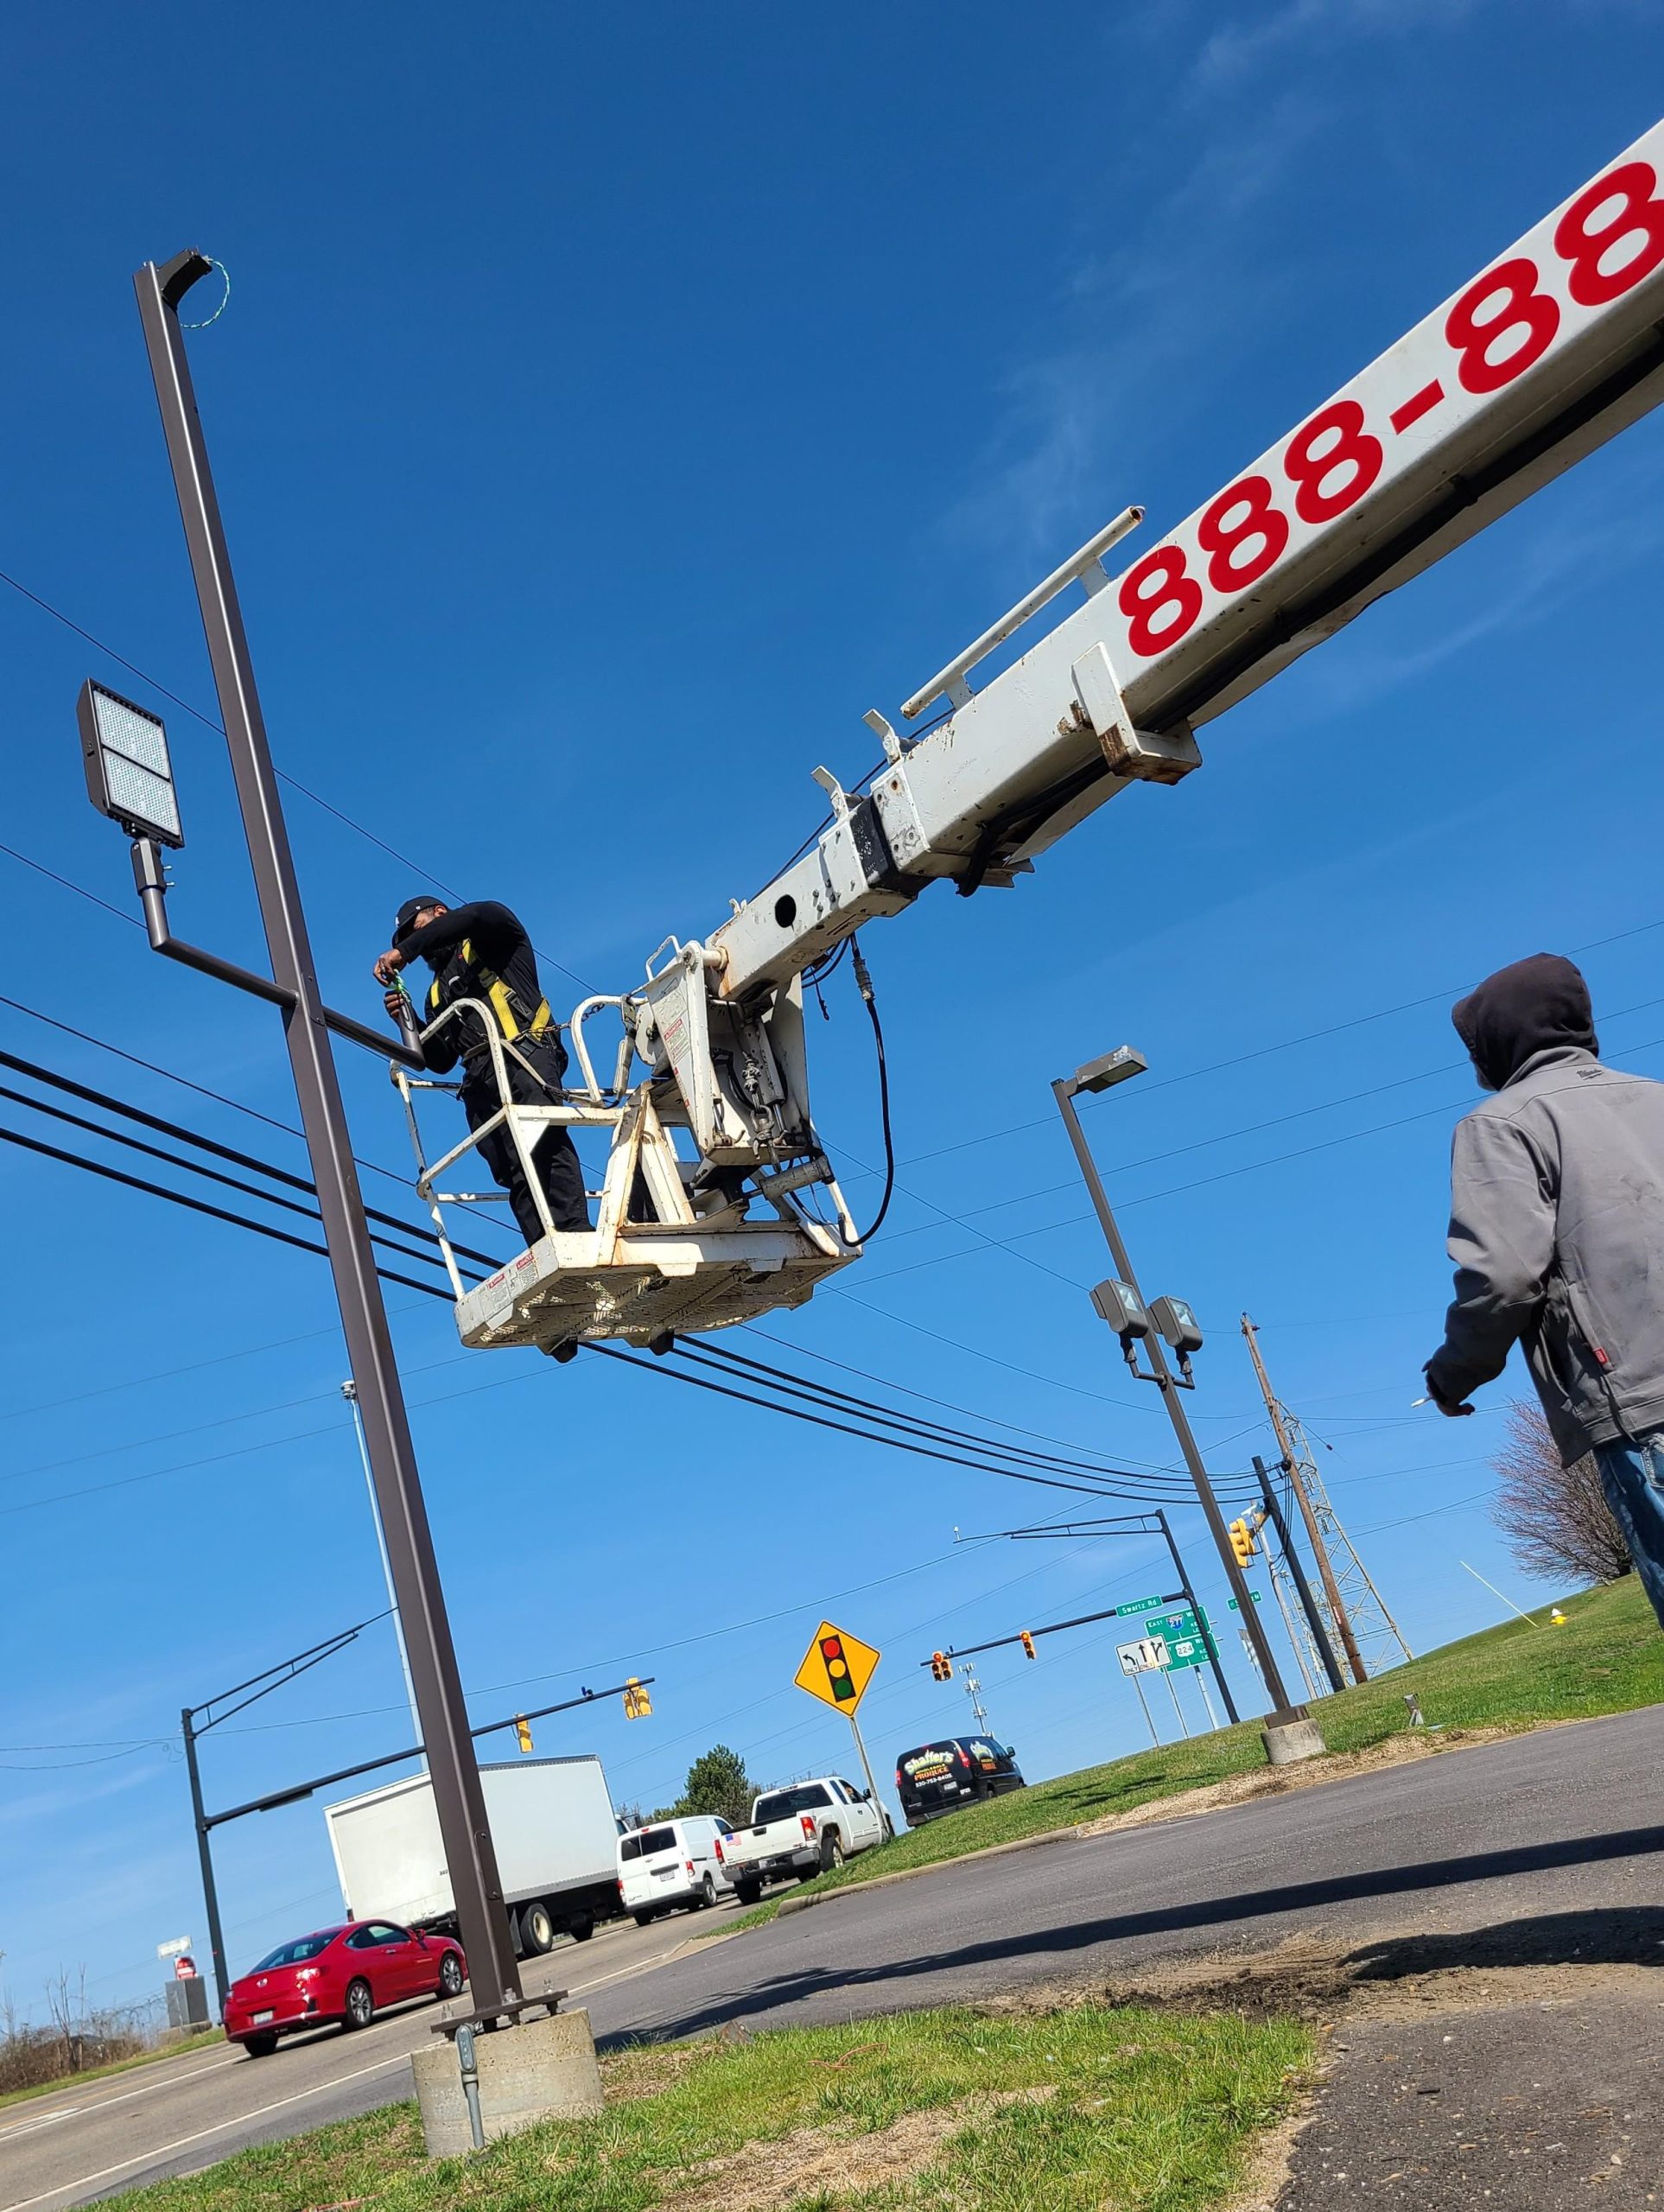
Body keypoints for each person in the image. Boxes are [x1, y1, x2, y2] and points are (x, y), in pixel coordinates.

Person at [1423, 951, 1664, 1629]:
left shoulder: (1501, 1124)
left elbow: (1502, 1275)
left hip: (1643, 1406)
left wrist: (1454, 1373)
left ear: (1498, 1043)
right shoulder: (1656, 1095)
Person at [374, 897, 590, 1245]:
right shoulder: (435, 995)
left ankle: (576, 1234)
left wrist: (405, 954)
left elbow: (474, 915)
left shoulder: (491, 933)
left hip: (525, 1054)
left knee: (543, 1140)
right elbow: (442, 1059)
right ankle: (544, 1245)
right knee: (512, 1170)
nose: (415, 946)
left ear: (441, 915)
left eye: (415, 933)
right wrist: (408, 1018)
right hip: (481, 1081)